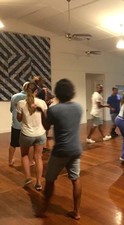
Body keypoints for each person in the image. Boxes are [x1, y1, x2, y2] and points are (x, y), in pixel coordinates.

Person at [37, 79, 82, 219]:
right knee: (75, 179)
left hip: (60, 151)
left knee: (50, 180)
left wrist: (42, 112)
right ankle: (76, 212)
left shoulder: (54, 110)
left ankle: (43, 209)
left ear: (57, 93)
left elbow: (46, 127)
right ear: (71, 92)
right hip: (76, 149)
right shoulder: (79, 107)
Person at [16, 82, 47, 191]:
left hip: (26, 134)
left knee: (24, 155)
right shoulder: (42, 102)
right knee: (38, 157)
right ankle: (38, 183)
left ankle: (28, 178)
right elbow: (46, 118)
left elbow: (19, 119)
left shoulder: (20, 103)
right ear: (36, 91)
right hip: (40, 133)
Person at [9, 81, 34, 167]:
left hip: (16, 124)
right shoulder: (32, 98)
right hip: (28, 125)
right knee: (30, 144)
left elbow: (11, 110)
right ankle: (30, 161)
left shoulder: (14, 97)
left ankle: (10, 161)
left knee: (13, 143)